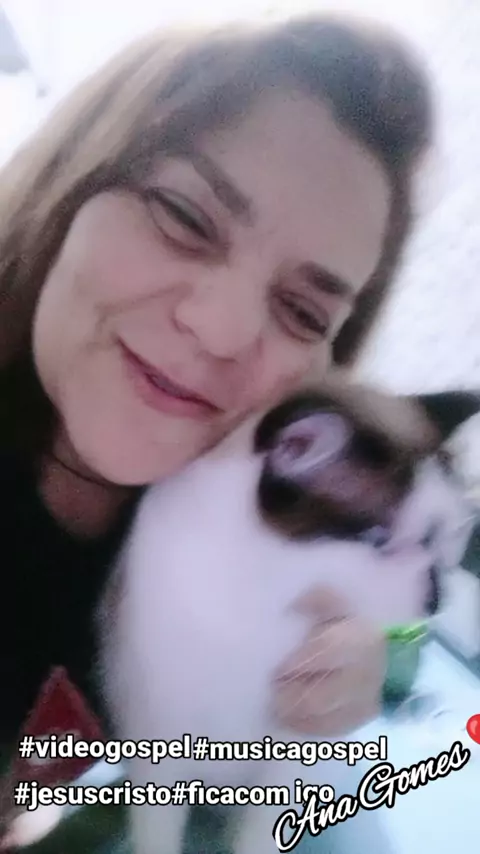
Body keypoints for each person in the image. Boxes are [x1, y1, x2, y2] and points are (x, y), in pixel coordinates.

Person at [0, 12, 432, 840]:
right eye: (185, 216)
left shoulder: (249, 521)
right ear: (74, 184)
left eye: (302, 310)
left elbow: (397, 634)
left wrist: (356, 669)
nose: (222, 329)